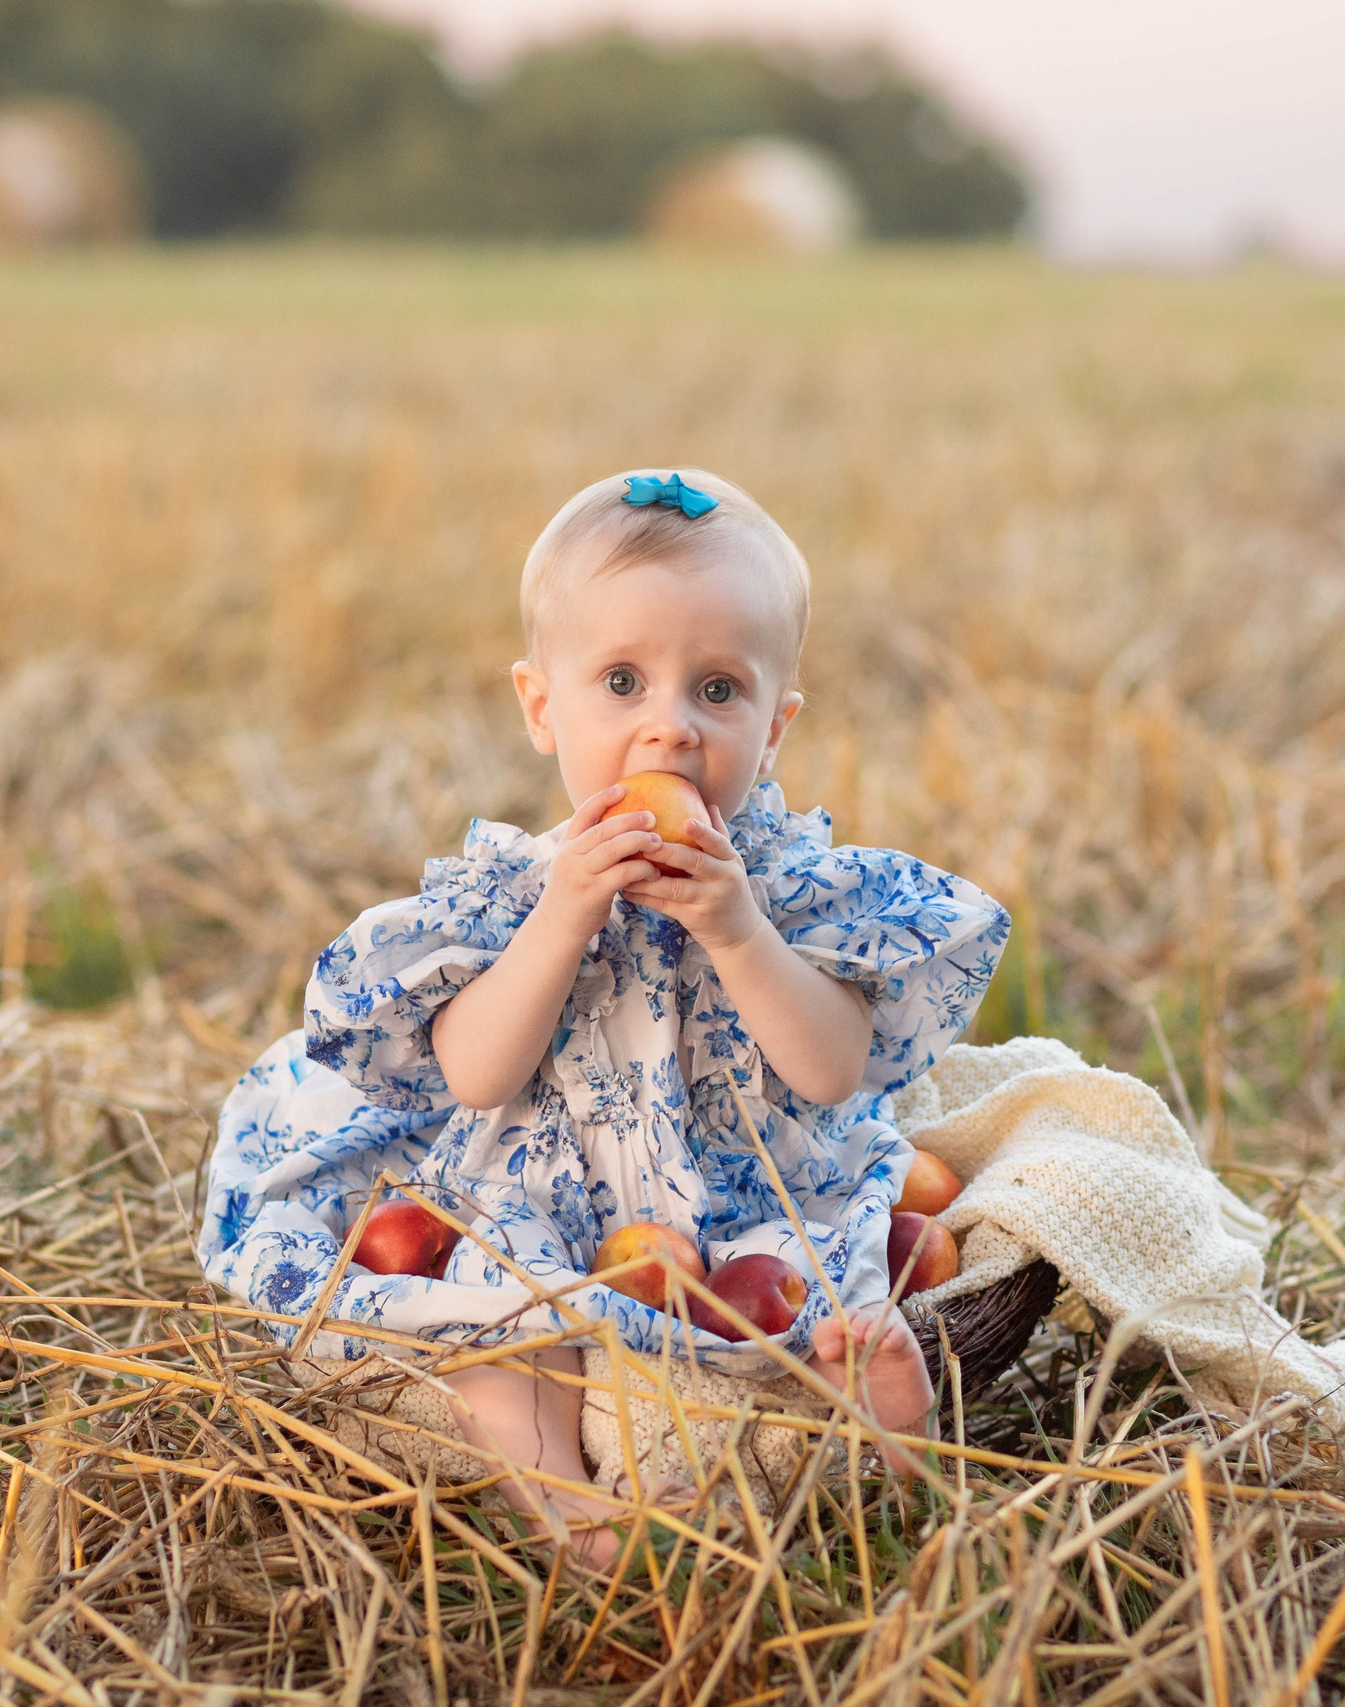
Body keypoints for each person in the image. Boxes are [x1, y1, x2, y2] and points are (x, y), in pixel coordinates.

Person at [200, 468, 1006, 1558]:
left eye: (718, 691)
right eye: (621, 681)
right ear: (542, 707)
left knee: (815, 1289)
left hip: (743, 1194)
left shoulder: (788, 890)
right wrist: (559, 920)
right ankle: (569, 1509)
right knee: (500, 1332)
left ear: (776, 727)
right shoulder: (509, 898)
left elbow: (832, 1071)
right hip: (544, 1208)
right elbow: (475, 1074)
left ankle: (890, 1438)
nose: (667, 731)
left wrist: (738, 932)